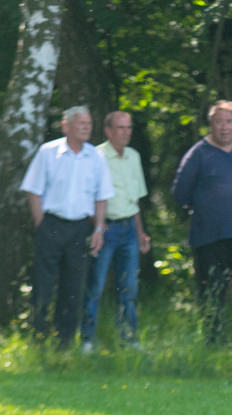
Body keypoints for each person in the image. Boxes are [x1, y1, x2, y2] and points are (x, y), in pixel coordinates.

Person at [172, 100, 232, 342]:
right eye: (218, 122)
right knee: (212, 291)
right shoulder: (198, 153)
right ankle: (213, 343)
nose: (224, 127)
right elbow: (180, 192)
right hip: (210, 236)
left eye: (229, 121)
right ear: (211, 124)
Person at [21, 105, 114, 348]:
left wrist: (99, 230)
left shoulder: (95, 156)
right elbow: (33, 191)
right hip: (51, 223)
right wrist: (41, 224)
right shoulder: (48, 152)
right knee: (43, 282)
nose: (86, 128)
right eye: (81, 123)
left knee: (73, 285)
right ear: (67, 126)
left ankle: (64, 341)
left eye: (89, 124)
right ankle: (38, 338)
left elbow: (101, 197)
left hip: (81, 227)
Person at [80, 111, 151, 352]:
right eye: (120, 128)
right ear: (108, 131)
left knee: (129, 286)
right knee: (96, 285)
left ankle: (129, 337)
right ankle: (87, 339)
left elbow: (135, 202)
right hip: (105, 228)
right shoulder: (96, 156)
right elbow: (86, 195)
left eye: (129, 128)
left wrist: (140, 233)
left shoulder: (133, 156)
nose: (125, 132)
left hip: (129, 229)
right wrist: (96, 225)